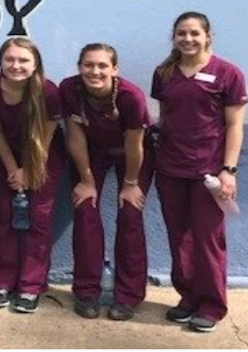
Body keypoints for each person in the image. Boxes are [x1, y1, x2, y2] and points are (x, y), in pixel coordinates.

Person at [150, 12, 248, 333]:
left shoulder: (228, 74)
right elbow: (166, 118)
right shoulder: (163, 74)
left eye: (194, 33)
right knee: (178, 237)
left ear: (208, 36)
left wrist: (228, 171)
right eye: (181, 33)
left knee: (208, 239)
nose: (188, 39)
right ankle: (188, 297)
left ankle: (211, 305)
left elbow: (235, 126)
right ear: (174, 37)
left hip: (209, 172)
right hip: (170, 168)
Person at [62, 43, 153, 321]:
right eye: (88, 65)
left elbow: (135, 145)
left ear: (115, 69)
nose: (95, 71)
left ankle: (128, 296)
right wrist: (86, 180)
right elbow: (75, 137)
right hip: (91, 153)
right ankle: (86, 292)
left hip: (133, 157)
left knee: (129, 214)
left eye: (102, 65)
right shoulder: (70, 89)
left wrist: (130, 184)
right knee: (85, 210)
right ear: (80, 67)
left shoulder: (131, 97)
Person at [0, 37, 65, 314]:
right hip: (7, 158)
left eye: (23, 60)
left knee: (37, 221)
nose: (16, 65)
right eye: (10, 59)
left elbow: (47, 135)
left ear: (35, 63)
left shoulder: (47, 91)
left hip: (43, 157)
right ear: (0, 62)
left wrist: (29, 170)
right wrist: (12, 170)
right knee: (5, 216)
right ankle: (2, 282)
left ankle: (31, 285)